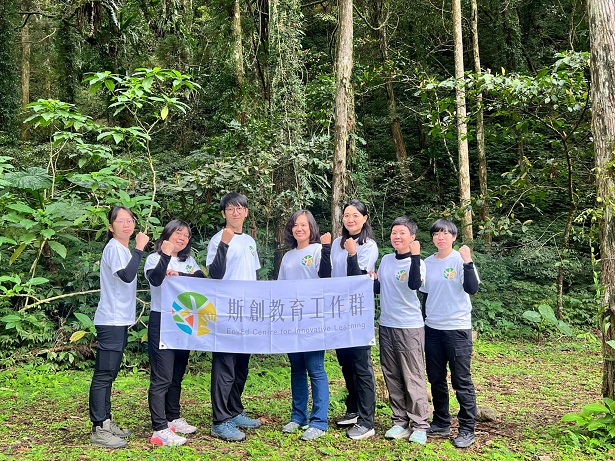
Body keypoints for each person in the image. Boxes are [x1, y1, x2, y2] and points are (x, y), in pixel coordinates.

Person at [89, 206, 150, 449]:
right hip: (110, 320)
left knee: (110, 373)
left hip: (120, 319)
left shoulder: (122, 249)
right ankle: (98, 429)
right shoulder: (114, 248)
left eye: (130, 220)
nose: (127, 224)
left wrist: (134, 250)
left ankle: (106, 420)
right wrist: (140, 248)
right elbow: (126, 276)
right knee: (104, 375)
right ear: (110, 226)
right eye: (121, 221)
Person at [206, 192, 262, 442]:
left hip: (248, 312)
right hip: (227, 312)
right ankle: (220, 420)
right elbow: (215, 274)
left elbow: (254, 275)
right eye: (230, 208)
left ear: (246, 212)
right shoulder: (218, 239)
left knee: (241, 365)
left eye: (240, 208)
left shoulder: (250, 240)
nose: (236, 212)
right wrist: (225, 244)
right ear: (224, 213)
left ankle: (234, 410)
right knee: (225, 365)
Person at [420, 219, 480, 449]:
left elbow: (472, 288)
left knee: (461, 381)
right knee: (436, 378)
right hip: (432, 328)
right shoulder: (427, 262)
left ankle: (467, 429)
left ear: (454, 237)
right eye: (436, 233)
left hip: (457, 328)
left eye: (445, 233)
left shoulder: (460, 259)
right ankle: (441, 421)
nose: (440, 237)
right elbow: (425, 295)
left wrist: (468, 261)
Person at [369, 217, 429, 445]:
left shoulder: (418, 262)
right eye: (394, 232)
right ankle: (399, 421)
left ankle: (421, 424)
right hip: (387, 324)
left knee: (412, 375)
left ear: (412, 237)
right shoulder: (386, 260)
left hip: (410, 326)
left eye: (402, 232)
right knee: (391, 373)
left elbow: (415, 285)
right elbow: (380, 289)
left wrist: (414, 256)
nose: (397, 236)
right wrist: (372, 279)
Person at [144, 219, 205, 446]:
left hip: (183, 321)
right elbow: (155, 279)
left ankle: (173, 417)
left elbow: (201, 280)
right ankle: (159, 429)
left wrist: (180, 277)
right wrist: (165, 256)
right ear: (167, 234)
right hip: (162, 320)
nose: (182, 237)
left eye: (186, 235)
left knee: (177, 373)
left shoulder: (188, 261)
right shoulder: (153, 258)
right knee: (162, 376)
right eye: (178, 233)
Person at [278, 210, 332, 441]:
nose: (299, 229)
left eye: (304, 225)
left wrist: (328, 249)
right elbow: (280, 288)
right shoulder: (288, 256)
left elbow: (327, 277)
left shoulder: (319, 250)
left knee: (316, 368)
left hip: (314, 318)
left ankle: (319, 421)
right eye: (295, 225)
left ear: (311, 228)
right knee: (297, 368)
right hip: (291, 319)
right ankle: (298, 416)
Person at [330, 199, 378, 440]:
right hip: (338, 311)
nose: (350, 219)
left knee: (361, 365)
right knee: (346, 362)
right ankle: (354, 409)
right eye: (347, 215)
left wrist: (352, 253)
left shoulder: (368, 245)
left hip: (358, 312)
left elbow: (357, 277)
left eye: (355, 215)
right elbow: (328, 276)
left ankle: (367, 421)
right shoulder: (339, 244)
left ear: (364, 218)